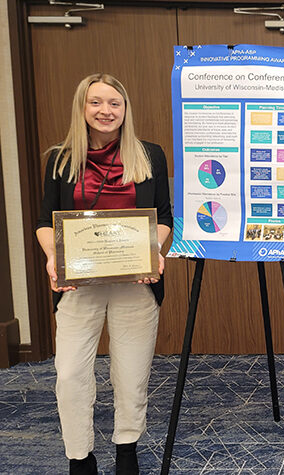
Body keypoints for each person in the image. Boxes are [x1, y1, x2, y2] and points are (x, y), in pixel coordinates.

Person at [35, 73, 172, 475]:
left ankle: (126, 448)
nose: (105, 111)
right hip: (79, 283)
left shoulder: (150, 155)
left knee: (131, 374)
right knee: (71, 373)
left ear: (125, 109)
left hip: (135, 283)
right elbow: (46, 221)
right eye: (96, 102)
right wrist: (52, 257)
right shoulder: (62, 159)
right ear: (82, 108)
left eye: (114, 103)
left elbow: (163, 217)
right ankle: (80, 456)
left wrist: (154, 252)